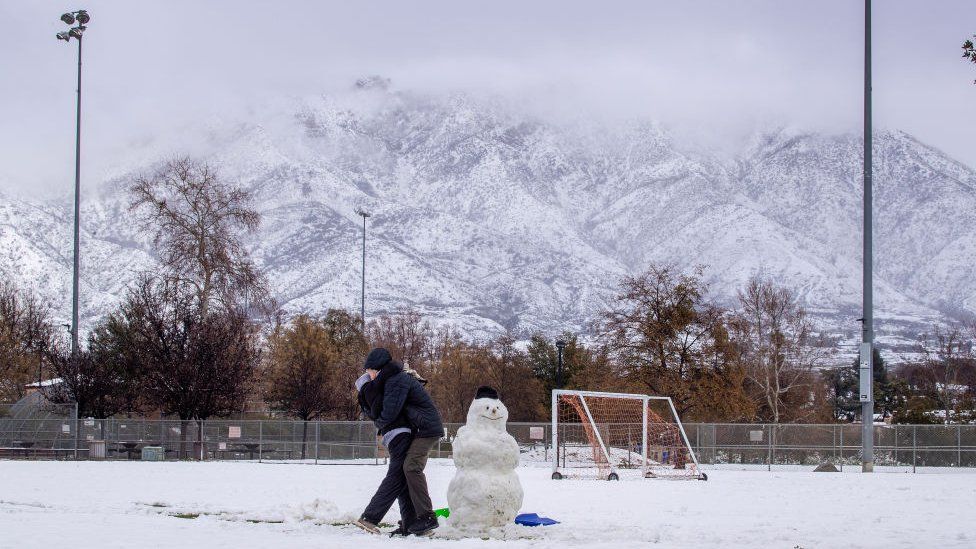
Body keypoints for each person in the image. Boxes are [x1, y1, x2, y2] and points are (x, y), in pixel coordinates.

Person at [354, 348, 444, 536]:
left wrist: (378, 422)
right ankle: (412, 524)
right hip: (418, 428)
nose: (368, 375)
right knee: (404, 472)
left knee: (410, 468)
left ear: (376, 369)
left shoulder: (397, 380)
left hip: (425, 429)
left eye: (369, 371)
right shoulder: (392, 379)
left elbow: (389, 412)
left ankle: (426, 517)